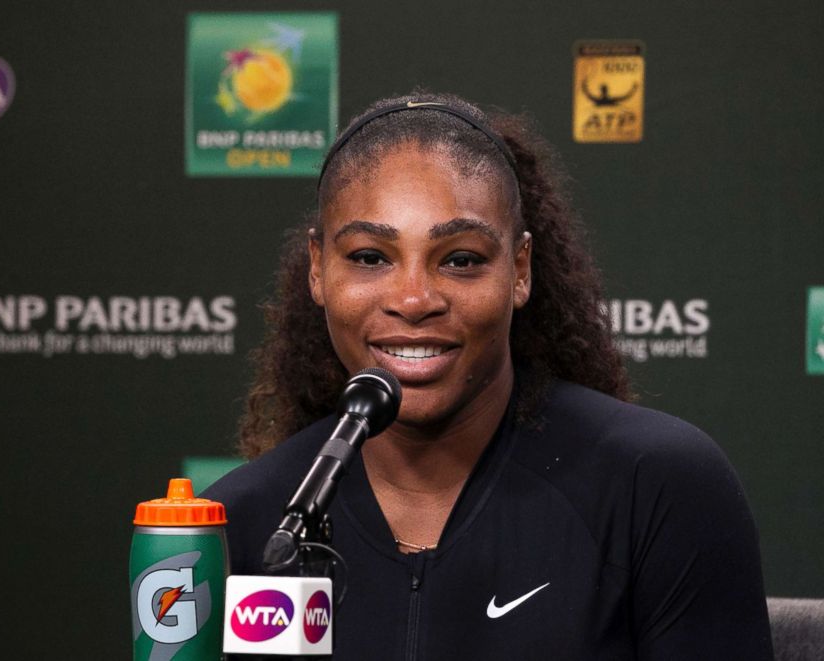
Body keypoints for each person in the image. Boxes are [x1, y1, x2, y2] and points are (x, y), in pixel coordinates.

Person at [204, 92, 772, 659]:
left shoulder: (656, 486)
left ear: (519, 270)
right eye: (369, 257)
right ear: (318, 268)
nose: (414, 299)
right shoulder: (243, 522)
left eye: (461, 259)